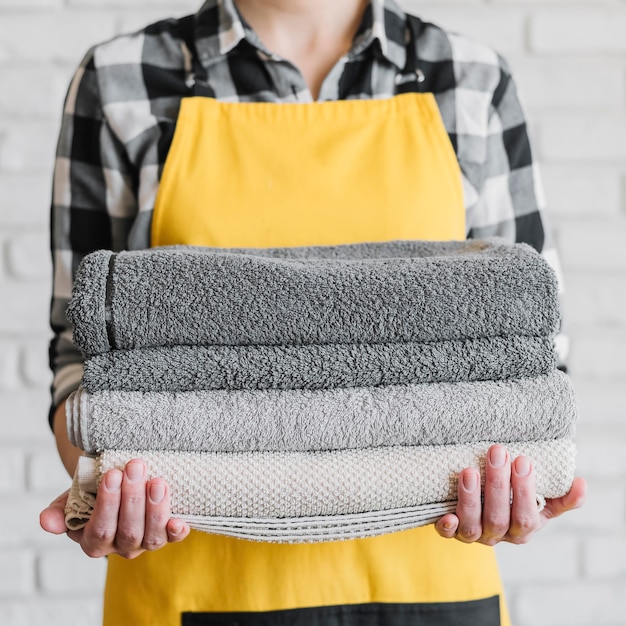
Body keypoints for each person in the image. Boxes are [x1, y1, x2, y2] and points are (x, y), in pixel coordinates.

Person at [40, 0, 586, 624]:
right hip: (187, 584)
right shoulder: (122, 77)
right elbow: (82, 353)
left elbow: (529, 347)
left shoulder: (470, 77)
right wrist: (101, 486)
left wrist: (522, 480)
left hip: (436, 589)